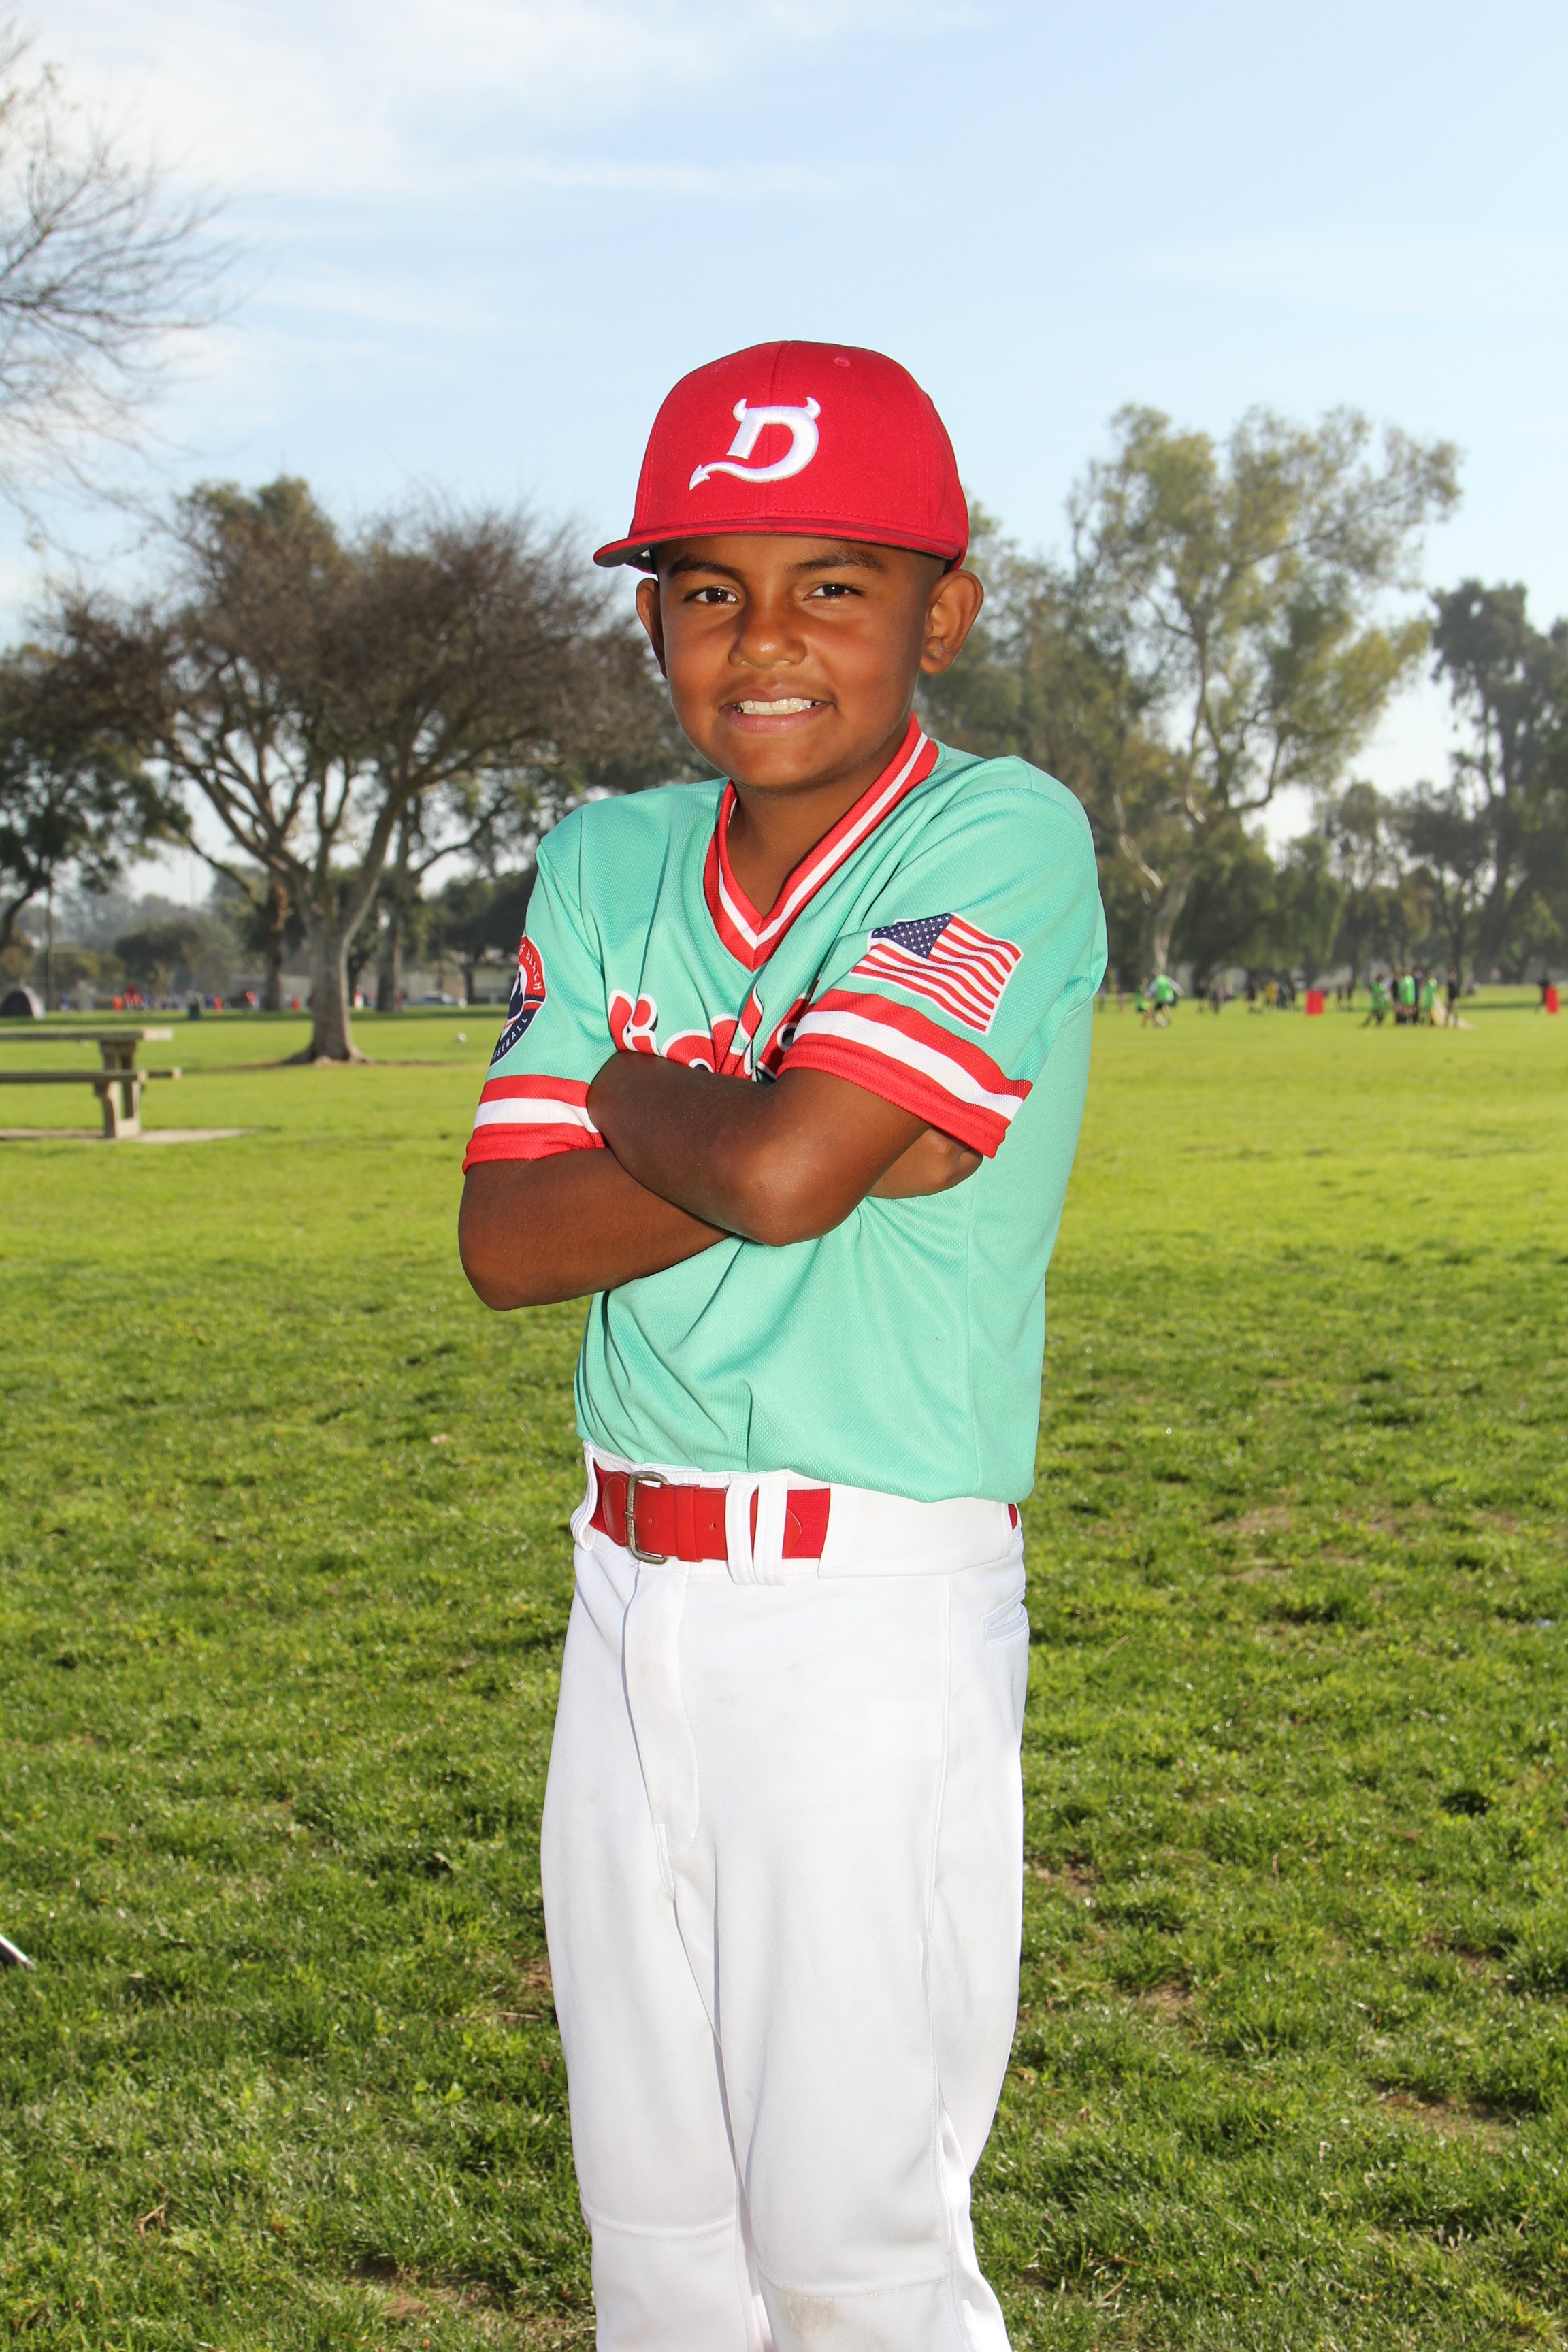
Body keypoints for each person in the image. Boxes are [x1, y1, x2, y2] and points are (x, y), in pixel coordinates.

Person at [457, 341, 1106, 2352]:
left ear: (943, 613)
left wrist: (652, 1094)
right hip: (620, 1587)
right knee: (656, 2243)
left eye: (836, 582)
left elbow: (789, 1172)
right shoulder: (607, 855)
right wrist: (770, 1127)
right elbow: (508, 1241)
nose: (765, 640)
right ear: (651, 621)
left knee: (851, 2253)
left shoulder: (1000, 831)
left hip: (866, 1604)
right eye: (707, 587)